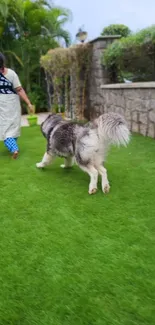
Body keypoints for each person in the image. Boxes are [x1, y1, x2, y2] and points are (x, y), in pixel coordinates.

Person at [0, 52, 33, 159]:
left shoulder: (11, 74)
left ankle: (14, 148)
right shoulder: (11, 73)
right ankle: (13, 146)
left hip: (2, 103)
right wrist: (28, 103)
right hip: (13, 103)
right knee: (13, 127)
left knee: (4, 130)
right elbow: (19, 89)